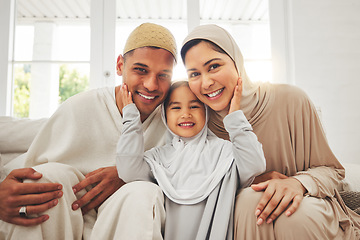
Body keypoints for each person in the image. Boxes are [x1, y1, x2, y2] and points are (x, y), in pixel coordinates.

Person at [180, 24, 360, 239]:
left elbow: (332, 170)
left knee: (298, 217)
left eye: (214, 66)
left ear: (236, 61)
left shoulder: (290, 99)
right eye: (194, 74)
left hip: (305, 207)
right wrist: (251, 182)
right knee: (248, 202)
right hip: (245, 215)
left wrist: (297, 183)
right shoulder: (196, 124)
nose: (206, 82)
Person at [0, 22, 177, 240]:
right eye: (140, 70)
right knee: (49, 178)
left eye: (163, 75)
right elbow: (29, 168)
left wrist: (130, 173)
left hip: (123, 216)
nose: (151, 85)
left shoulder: (176, 118)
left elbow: (191, 169)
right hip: (65, 215)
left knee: (143, 192)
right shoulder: (79, 107)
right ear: (120, 65)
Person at [116, 80, 266, 239]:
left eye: (194, 106)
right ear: (164, 114)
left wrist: (235, 117)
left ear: (206, 111)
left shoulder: (224, 151)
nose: (185, 114)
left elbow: (255, 164)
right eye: (176, 107)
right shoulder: (158, 158)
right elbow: (128, 170)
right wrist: (131, 117)